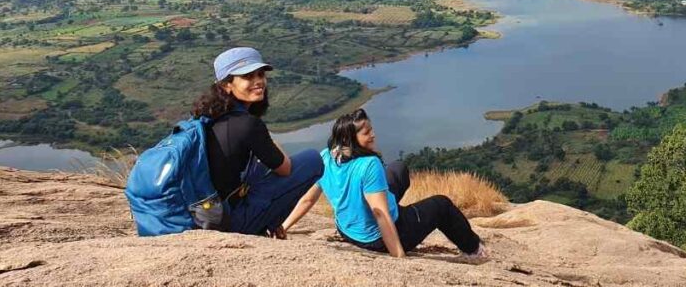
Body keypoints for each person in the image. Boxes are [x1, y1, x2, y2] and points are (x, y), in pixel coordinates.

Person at [280, 108, 487, 258]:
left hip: (347, 230)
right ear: (351, 139)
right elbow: (380, 213)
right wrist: (398, 255)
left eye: (371, 129)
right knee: (442, 205)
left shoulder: (326, 157)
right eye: (366, 133)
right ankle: (475, 250)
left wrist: (284, 226)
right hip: (375, 239)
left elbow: (308, 199)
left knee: (398, 169)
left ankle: (395, 211)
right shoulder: (368, 164)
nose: (373, 135)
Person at [192, 46, 324, 237]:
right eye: (247, 77)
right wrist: (264, 133)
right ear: (225, 85)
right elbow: (284, 168)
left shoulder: (208, 116)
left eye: (260, 75)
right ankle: (268, 223)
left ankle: (267, 222)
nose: (258, 82)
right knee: (312, 160)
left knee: (260, 166)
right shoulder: (247, 124)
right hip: (230, 221)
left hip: (207, 213)